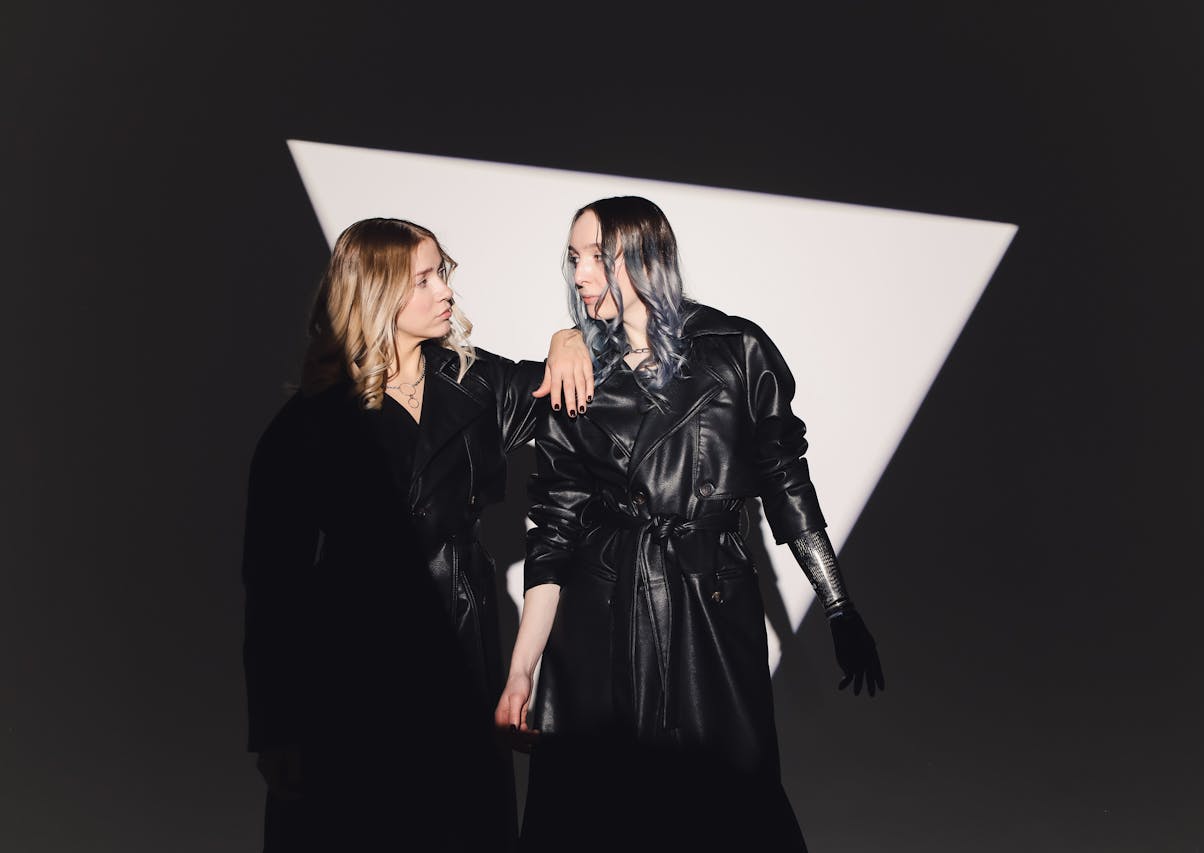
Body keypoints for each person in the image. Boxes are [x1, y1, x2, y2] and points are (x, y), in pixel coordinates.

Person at [495, 196, 886, 852]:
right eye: (573, 258)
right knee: (598, 814)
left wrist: (838, 603)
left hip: (709, 610)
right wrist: (521, 669)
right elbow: (554, 529)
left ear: (647, 257)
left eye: (598, 257)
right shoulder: (575, 373)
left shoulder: (737, 350)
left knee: (729, 808)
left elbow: (786, 482)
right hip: (601, 619)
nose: (581, 274)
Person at [241, 217, 593, 852]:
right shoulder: (310, 420)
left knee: (459, 827)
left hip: (462, 645)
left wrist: (570, 338)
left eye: (442, 274)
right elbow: (272, 584)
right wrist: (276, 728)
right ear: (377, 294)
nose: (446, 292)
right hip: (352, 664)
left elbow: (567, 391)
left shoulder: (476, 382)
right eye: (424, 280)